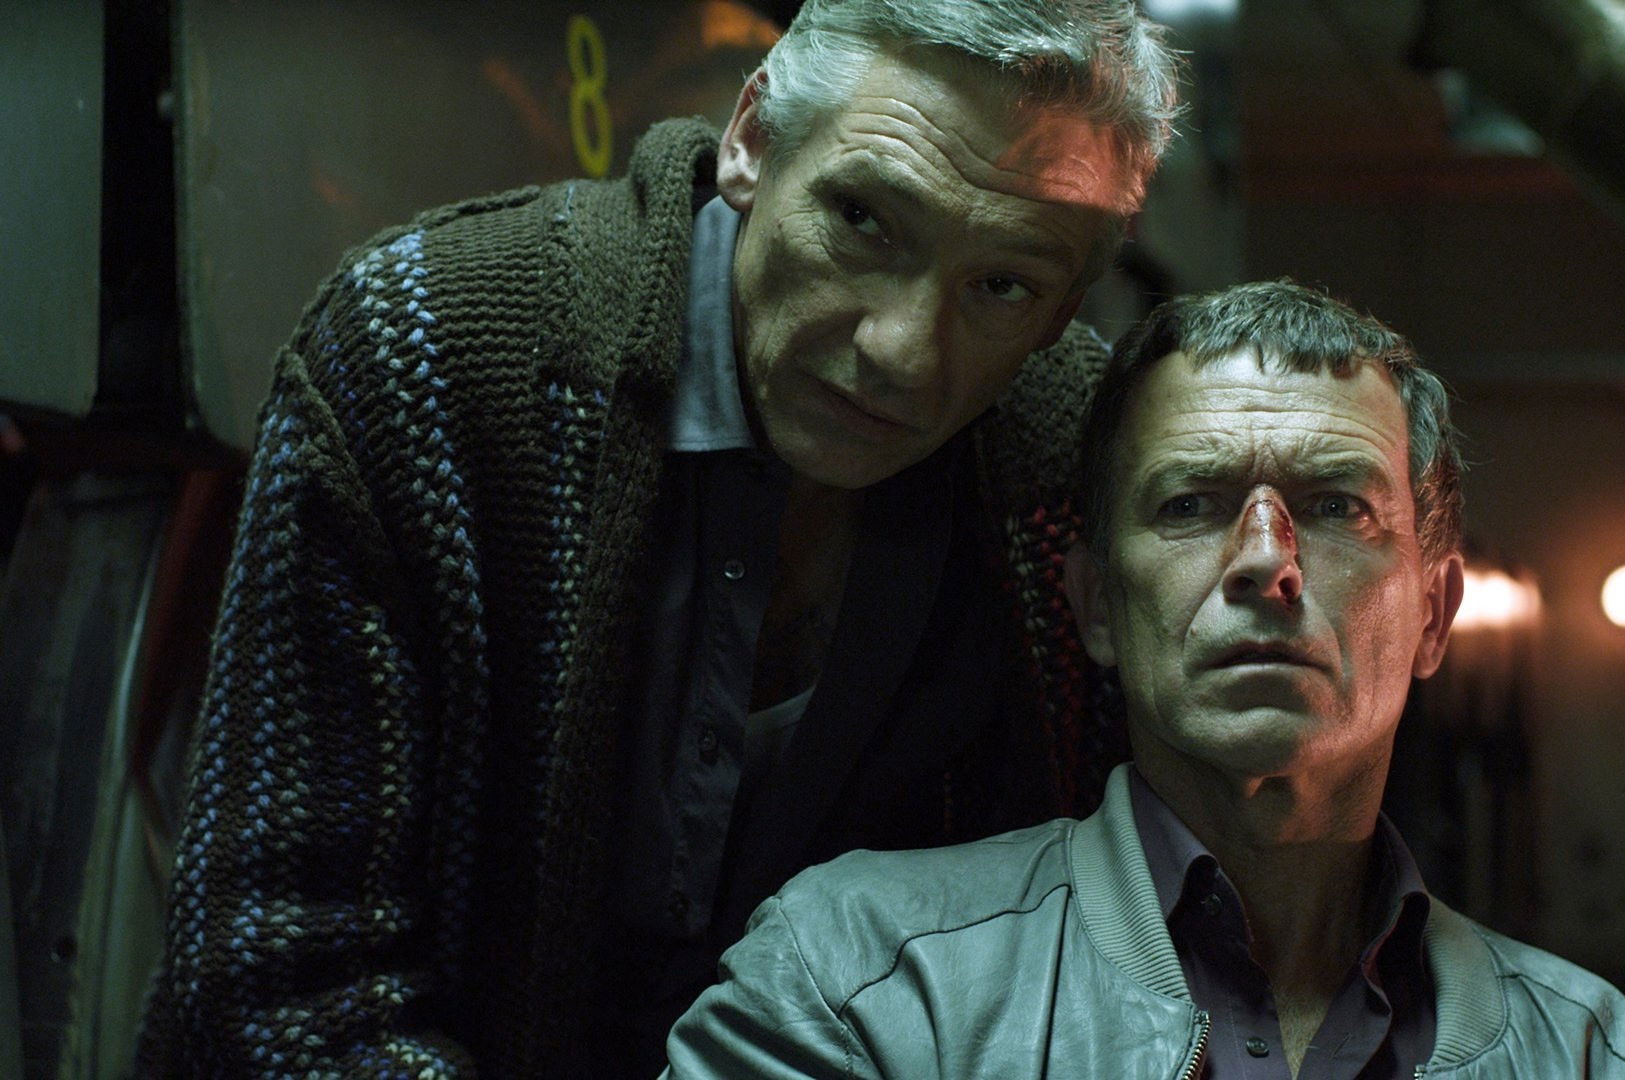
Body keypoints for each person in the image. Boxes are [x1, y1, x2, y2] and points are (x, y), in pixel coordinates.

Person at [137, 2, 1179, 1074]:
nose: (903, 352)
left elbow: (1132, 955)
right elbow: (279, 980)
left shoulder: (1078, 465)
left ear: (1064, 309)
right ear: (753, 140)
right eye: (864, 221)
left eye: (1003, 285)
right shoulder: (426, 351)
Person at [663, 280, 1625, 1078]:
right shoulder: (863, 983)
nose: (1266, 560)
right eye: (1191, 503)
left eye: (1336, 506)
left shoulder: (1590, 1053)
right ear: (1098, 605)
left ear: (1433, 614)